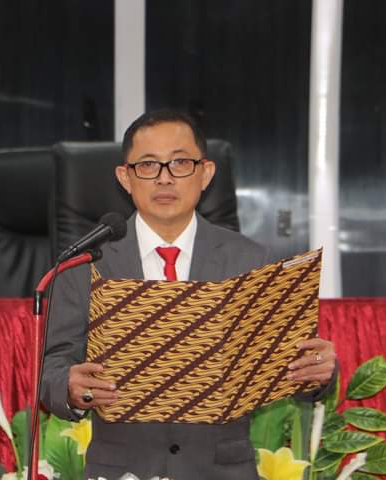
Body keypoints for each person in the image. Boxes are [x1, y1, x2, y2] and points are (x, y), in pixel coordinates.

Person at [41, 109, 337, 480]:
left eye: (180, 163)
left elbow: (291, 366)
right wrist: (70, 388)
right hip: (122, 470)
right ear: (125, 178)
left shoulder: (250, 259)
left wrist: (317, 373)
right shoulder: (86, 262)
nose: (164, 178)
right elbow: (51, 368)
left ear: (206, 173)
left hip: (222, 471)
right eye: (148, 165)